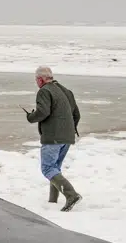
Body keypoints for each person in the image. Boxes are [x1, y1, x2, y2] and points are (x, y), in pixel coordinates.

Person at [22, 65, 82, 211]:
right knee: (55, 168)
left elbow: (43, 112)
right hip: (67, 137)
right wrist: (68, 130)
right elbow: (77, 115)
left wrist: (31, 117)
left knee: (47, 168)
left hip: (53, 137)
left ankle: (71, 195)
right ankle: (52, 201)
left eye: (37, 79)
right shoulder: (66, 91)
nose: (37, 82)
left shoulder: (44, 91)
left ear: (41, 79)